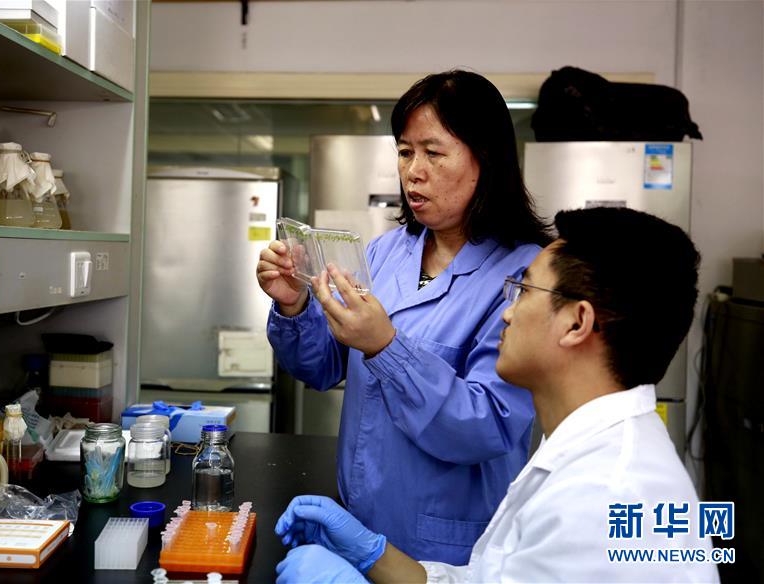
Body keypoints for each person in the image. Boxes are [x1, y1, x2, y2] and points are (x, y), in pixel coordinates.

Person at [274, 207, 719, 583]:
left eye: (523, 289)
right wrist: (375, 556)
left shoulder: (607, 496)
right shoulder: (581, 451)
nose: (506, 311)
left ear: (577, 323)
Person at [256, 70, 551, 563]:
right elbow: (323, 367)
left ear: (486, 159)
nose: (413, 171)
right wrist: (294, 305)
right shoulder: (386, 252)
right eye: (405, 151)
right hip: (361, 523)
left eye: (433, 153)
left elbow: (489, 425)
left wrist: (386, 347)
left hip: (449, 545)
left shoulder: (525, 275)